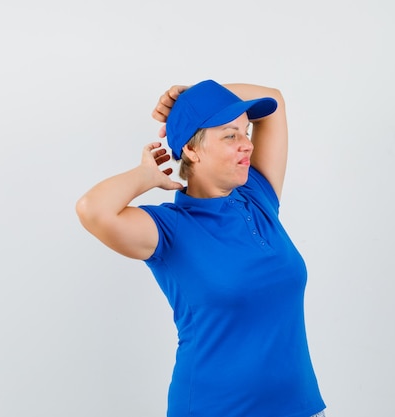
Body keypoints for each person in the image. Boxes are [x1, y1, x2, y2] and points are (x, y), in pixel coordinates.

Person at [76, 80, 326, 417]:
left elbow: (275, 102)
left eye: (246, 133)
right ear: (192, 150)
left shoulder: (257, 196)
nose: (246, 146)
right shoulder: (170, 229)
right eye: (230, 135)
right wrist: (145, 174)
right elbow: (92, 209)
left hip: (301, 408)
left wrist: (193, 94)